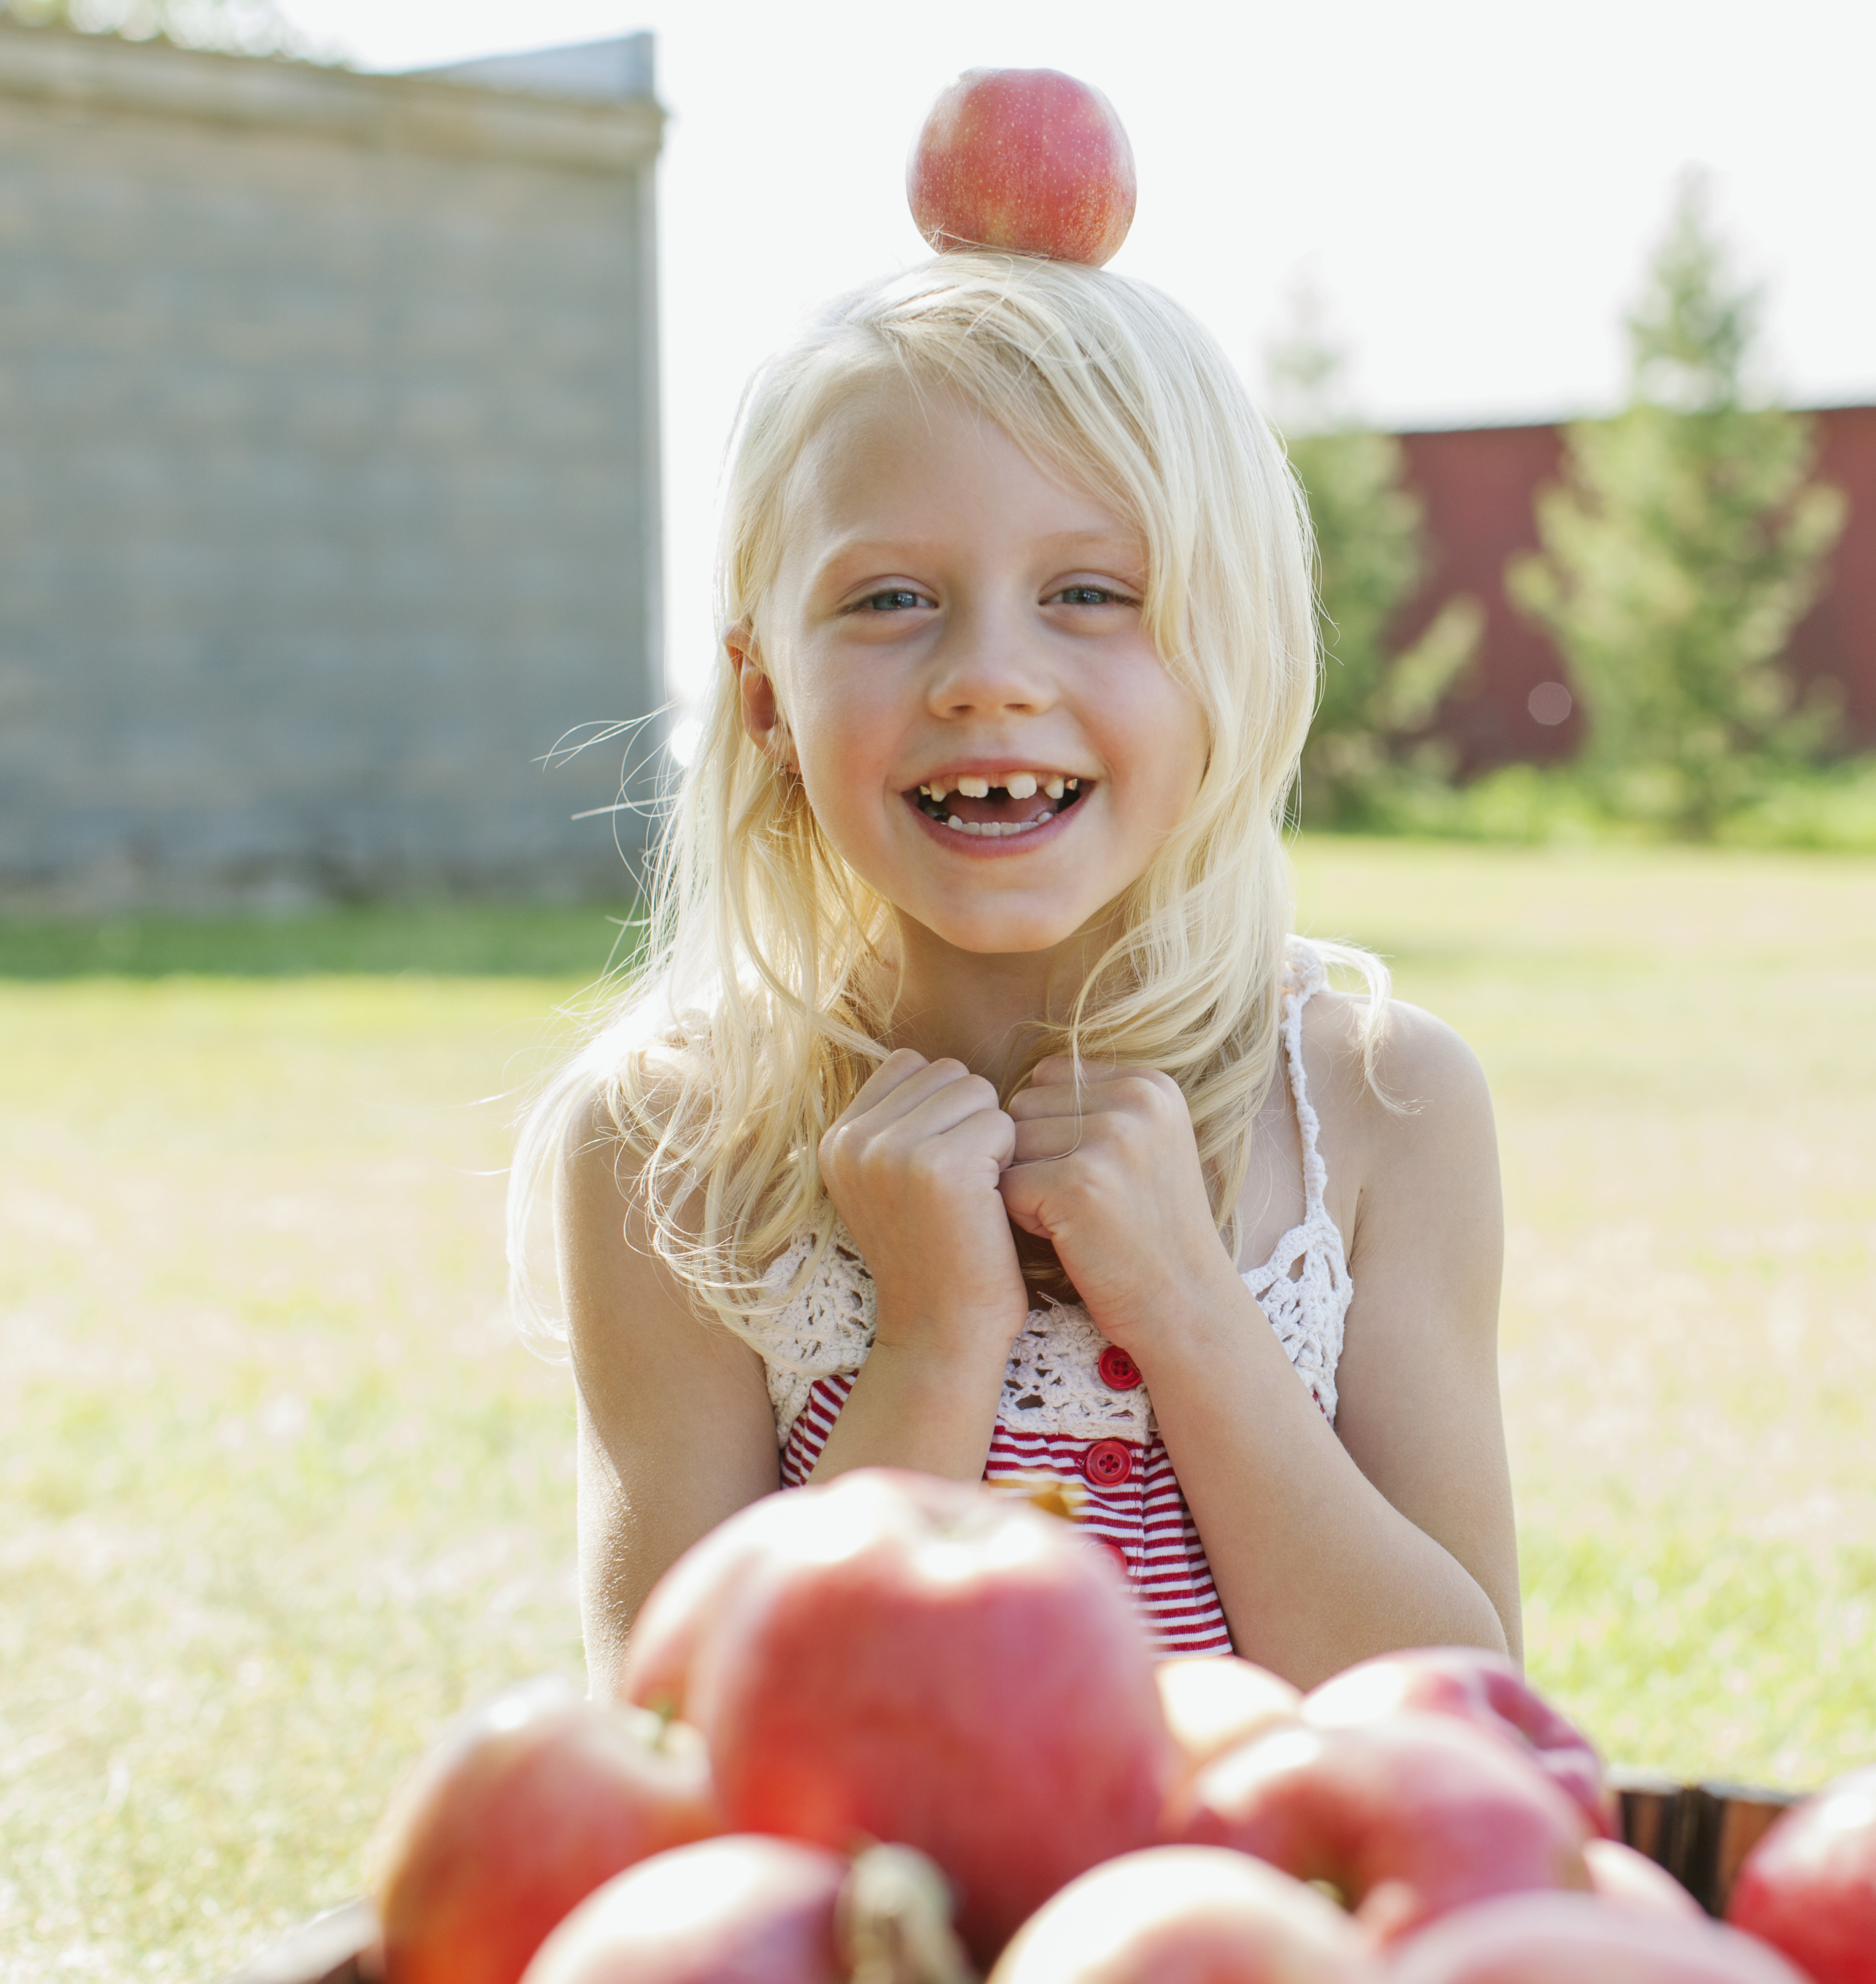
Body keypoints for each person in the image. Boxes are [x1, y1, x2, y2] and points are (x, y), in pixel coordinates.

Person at [510, 252, 1517, 1697]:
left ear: (1228, 662)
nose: (989, 673)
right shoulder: (673, 1144)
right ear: (765, 699)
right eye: (891, 598)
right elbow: (680, 1742)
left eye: (1092, 591)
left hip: (1254, 1918)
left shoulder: (1377, 1103)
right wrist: (929, 1345)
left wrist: (1183, 1302)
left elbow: (1469, 1715)